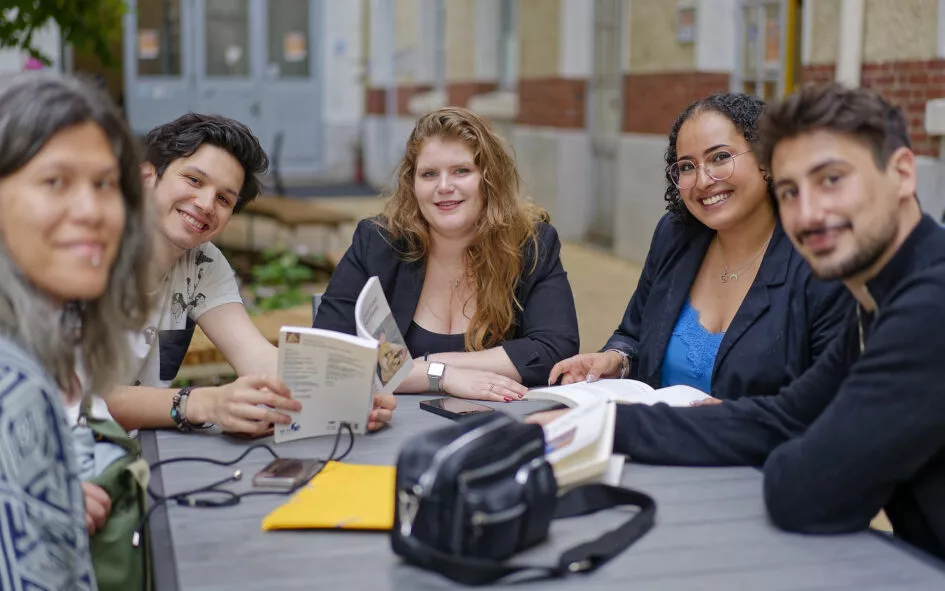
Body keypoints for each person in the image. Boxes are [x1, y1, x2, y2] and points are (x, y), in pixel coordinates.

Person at [534, 83, 945, 559]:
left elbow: (808, 492)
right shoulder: (883, 298)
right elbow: (783, 416)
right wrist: (601, 425)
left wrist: (801, 447)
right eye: (791, 191)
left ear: (902, 174)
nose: (808, 213)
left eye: (832, 179)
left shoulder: (927, 307)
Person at [101, 113, 396, 435]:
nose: (205, 204)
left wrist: (347, 396)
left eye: (224, 199)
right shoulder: (85, 253)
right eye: (194, 180)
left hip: (133, 454)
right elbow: (81, 398)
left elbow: (255, 356)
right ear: (146, 175)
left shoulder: (202, 262)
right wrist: (203, 402)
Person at [549, 93, 851, 399]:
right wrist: (616, 360)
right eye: (687, 166)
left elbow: (828, 409)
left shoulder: (819, 263)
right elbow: (634, 334)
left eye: (720, 157)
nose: (703, 181)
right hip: (654, 438)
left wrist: (729, 420)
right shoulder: (675, 235)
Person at [0, 72, 151, 589]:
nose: (92, 212)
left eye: (105, 184)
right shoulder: (14, 382)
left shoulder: (39, 344)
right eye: (55, 181)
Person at [315, 107, 579, 401]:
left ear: (489, 179)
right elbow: (327, 356)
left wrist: (421, 365)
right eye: (429, 174)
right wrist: (440, 375)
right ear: (412, 184)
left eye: (461, 171)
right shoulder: (378, 244)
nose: (444, 187)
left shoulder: (531, 244)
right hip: (389, 427)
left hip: (498, 426)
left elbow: (555, 350)